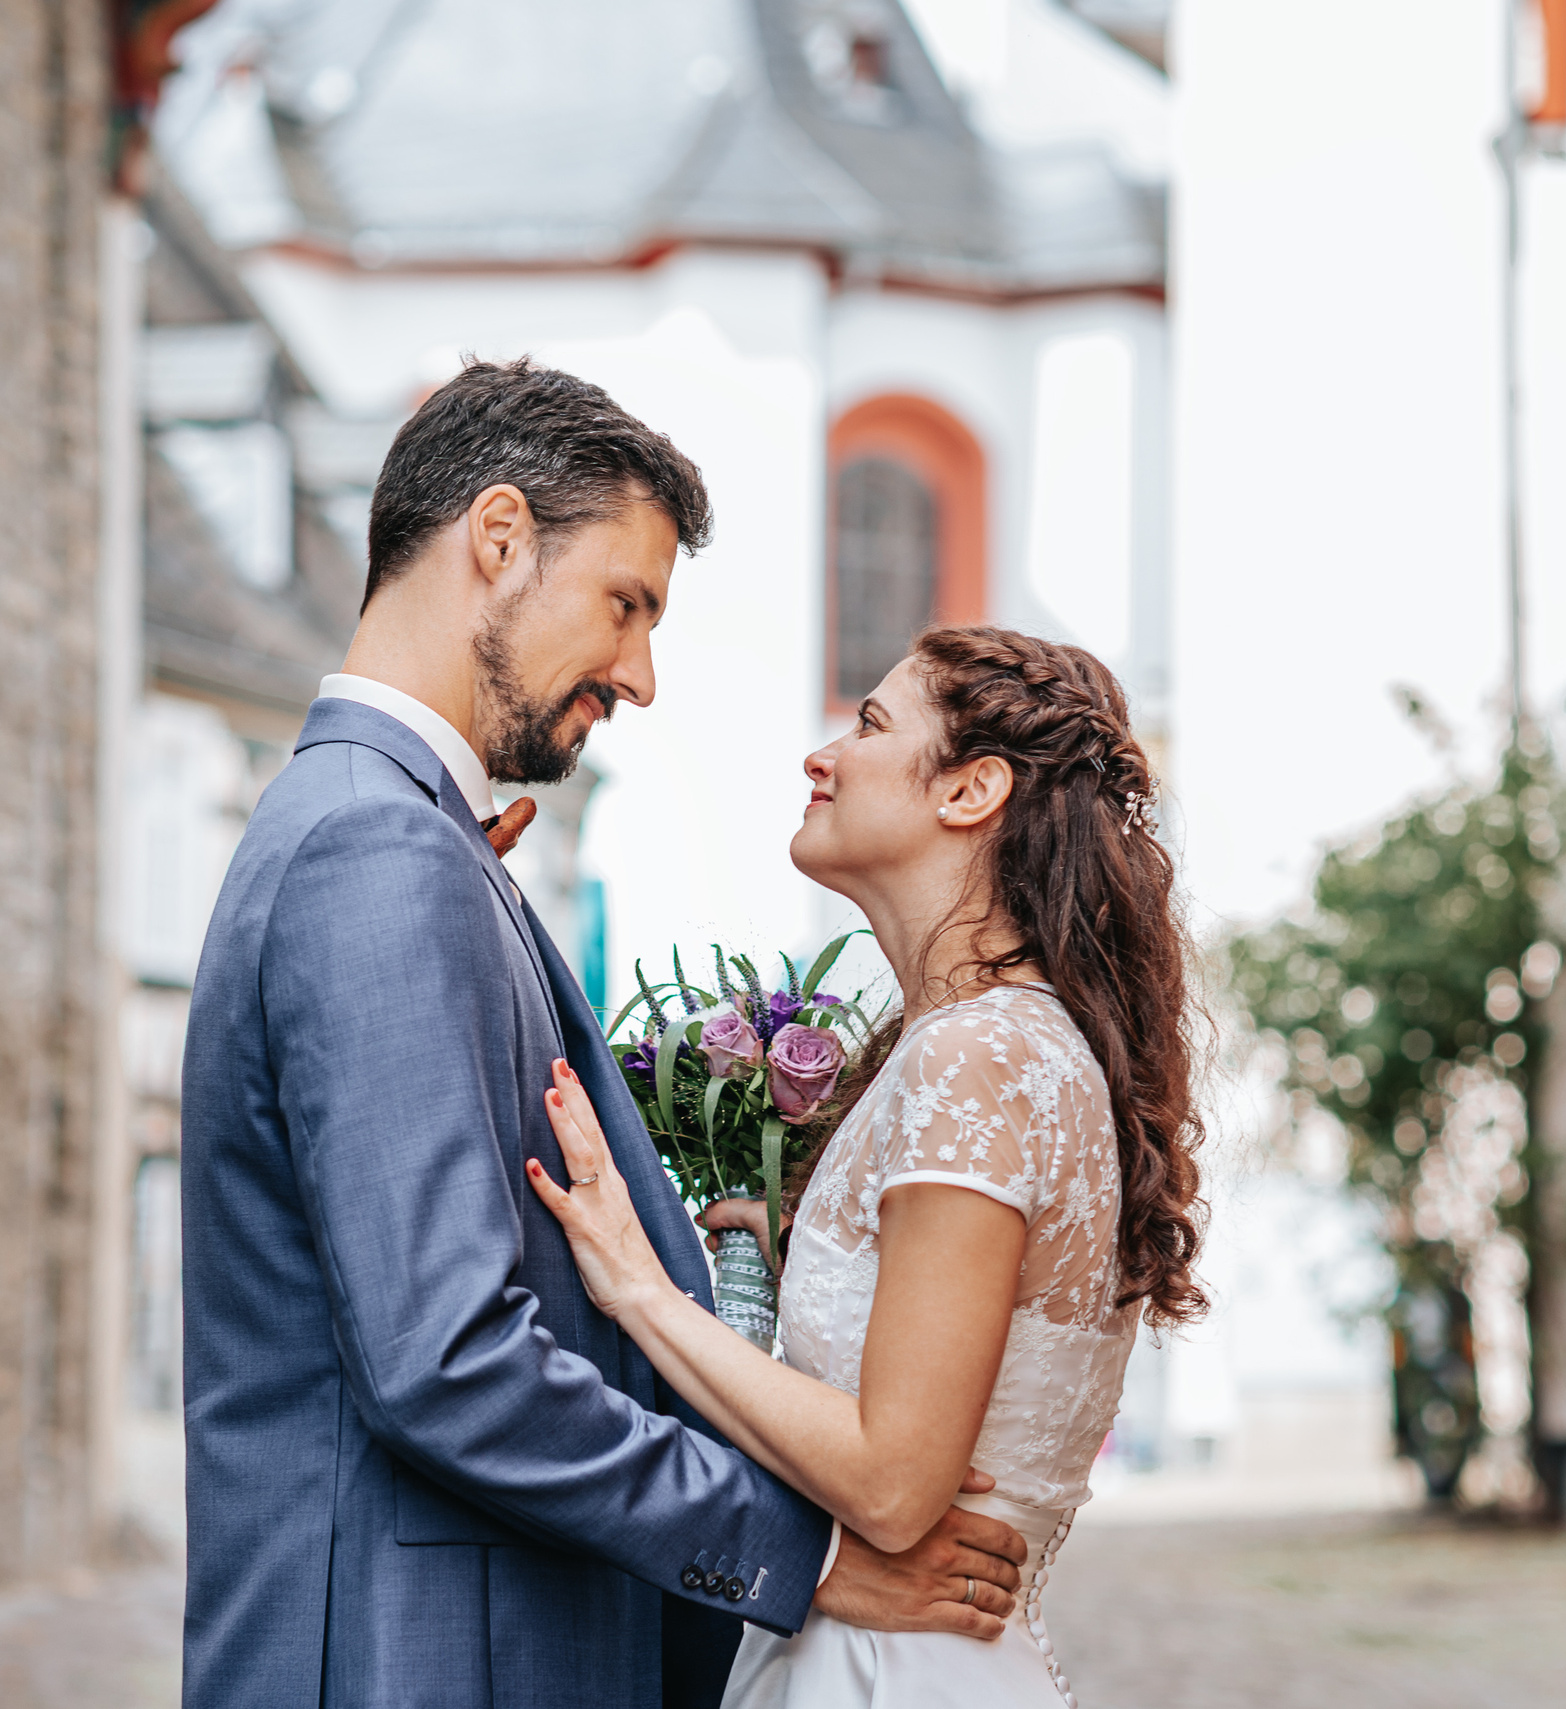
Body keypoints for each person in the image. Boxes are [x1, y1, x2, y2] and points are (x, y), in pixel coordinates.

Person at [178, 358, 1032, 1709]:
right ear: (499, 538)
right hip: (422, 1661)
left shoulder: (398, 835)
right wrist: (796, 1557)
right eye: (625, 605)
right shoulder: (376, 852)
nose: (638, 674)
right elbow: (449, 1361)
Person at [525, 625, 1206, 1707]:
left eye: (873, 724)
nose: (823, 754)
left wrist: (640, 1289)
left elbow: (892, 1483)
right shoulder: (996, 1044)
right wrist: (787, 1255)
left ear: (972, 789)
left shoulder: (976, 1056)